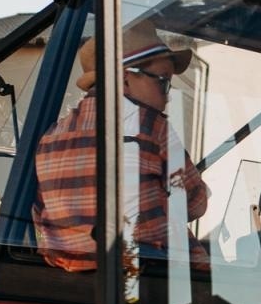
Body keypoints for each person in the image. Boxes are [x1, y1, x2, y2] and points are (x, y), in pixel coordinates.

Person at [33, 19, 209, 274]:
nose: (168, 95)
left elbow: (41, 213)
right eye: (163, 81)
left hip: (71, 276)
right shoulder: (151, 126)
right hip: (155, 276)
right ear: (124, 79)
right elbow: (195, 203)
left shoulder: (51, 137)